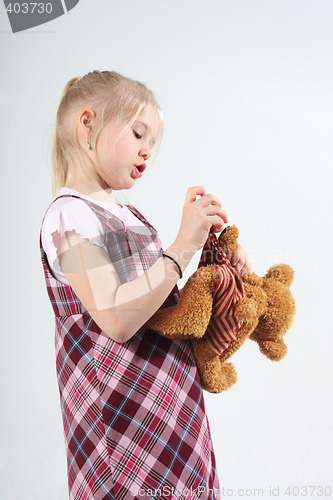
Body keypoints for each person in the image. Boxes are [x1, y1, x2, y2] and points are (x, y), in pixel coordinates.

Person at [39, 70, 252, 500]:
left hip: (173, 415)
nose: (147, 151)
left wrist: (219, 273)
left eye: (153, 142)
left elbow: (163, 312)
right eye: (138, 134)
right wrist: (181, 245)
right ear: (88, 124)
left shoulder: (132, 217)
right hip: (122, 430)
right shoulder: (67, 218)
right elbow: (117, 316)